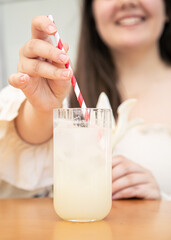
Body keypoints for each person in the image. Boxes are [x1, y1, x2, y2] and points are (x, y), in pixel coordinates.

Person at [4, 0, 171, 200]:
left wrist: (161, 201)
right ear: (92, 12)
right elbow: (19, 154)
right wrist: (42, 109)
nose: (128, 2)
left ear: (167, 8)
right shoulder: (62, 86)